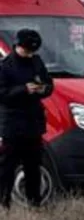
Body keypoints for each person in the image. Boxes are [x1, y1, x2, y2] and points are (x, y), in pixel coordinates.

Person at [0, 29, 54, 209]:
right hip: (13, 125)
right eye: (27, 50)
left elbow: (48, 84)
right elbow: (2, 94)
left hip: (33, 124)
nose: (29, 54)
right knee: (7, 166)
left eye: (33, 51)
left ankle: (35, 202)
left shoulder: (36, 62)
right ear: (18, 46)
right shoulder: (5, 66)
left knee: (33, 167)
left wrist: (43, 89)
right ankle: (3, 202)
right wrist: (24, 89)